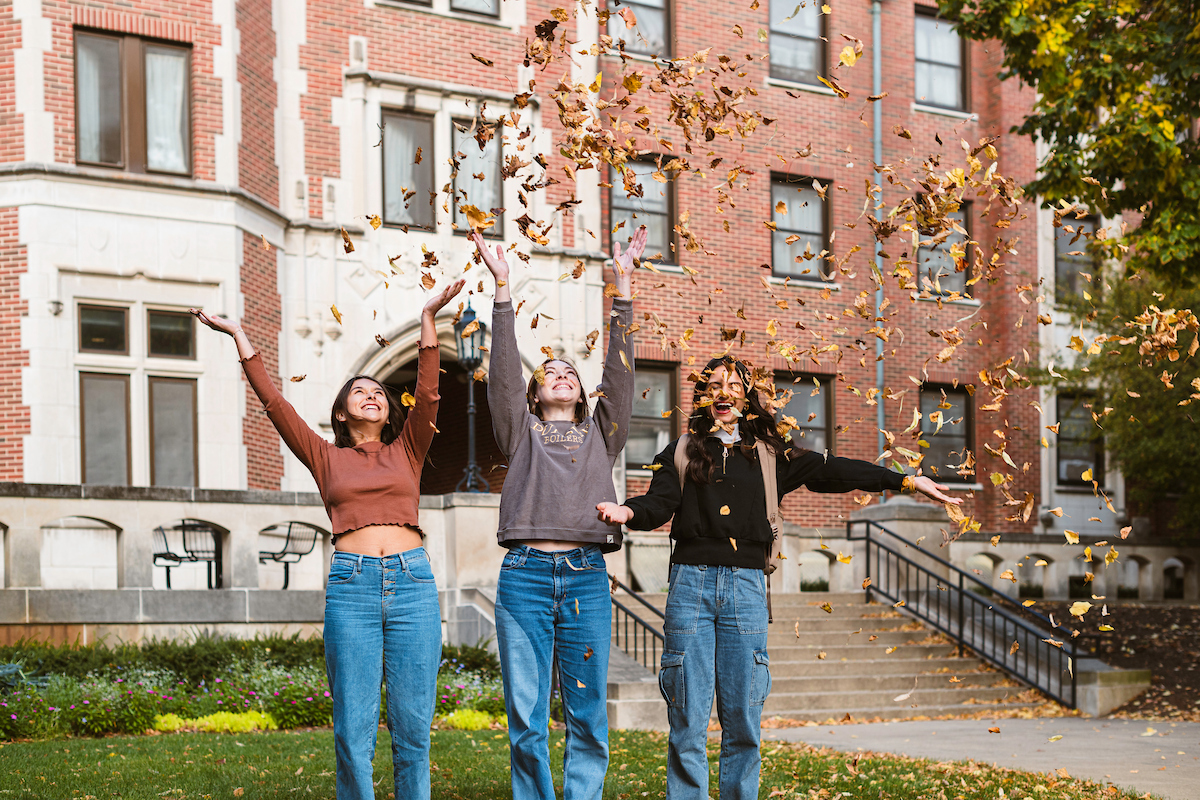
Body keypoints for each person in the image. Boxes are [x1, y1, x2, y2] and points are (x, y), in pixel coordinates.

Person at [597, 357, 961, 800]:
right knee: (688, 720)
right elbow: (659, 501)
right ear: (704, 396)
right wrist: (628, 511)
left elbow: (833, 471)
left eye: (734, 385)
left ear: (748, 398)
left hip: (747, 589)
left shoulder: (772, 455)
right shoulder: (678, 452)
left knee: (743, 721)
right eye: (715, 385)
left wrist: (903, 481)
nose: (724, 391)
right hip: (690, 586)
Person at [192, 278, 464, 800]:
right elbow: (275, 405)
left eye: (379, 392)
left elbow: (428, 394)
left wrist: (428, 317)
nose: (372, 395)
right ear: (341, 412)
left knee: (413, 732)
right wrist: (238, 335)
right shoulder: (325, 457)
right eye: (359, 391)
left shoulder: (410, 447)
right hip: (352, 588)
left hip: (412, 586)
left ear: (389, 410)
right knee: (352, 729)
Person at [471, 227, 646, 800]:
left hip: (585, 580)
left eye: (572, 372)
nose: (563, 375)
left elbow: (619, 379)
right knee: (525, 715)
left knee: (587, 710)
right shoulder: (518, 433)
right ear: (535, 392)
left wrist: (622, 290)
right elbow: (500, 378)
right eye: (550, 373)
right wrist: (502, 291)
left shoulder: (603, 434)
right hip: (523, 577)